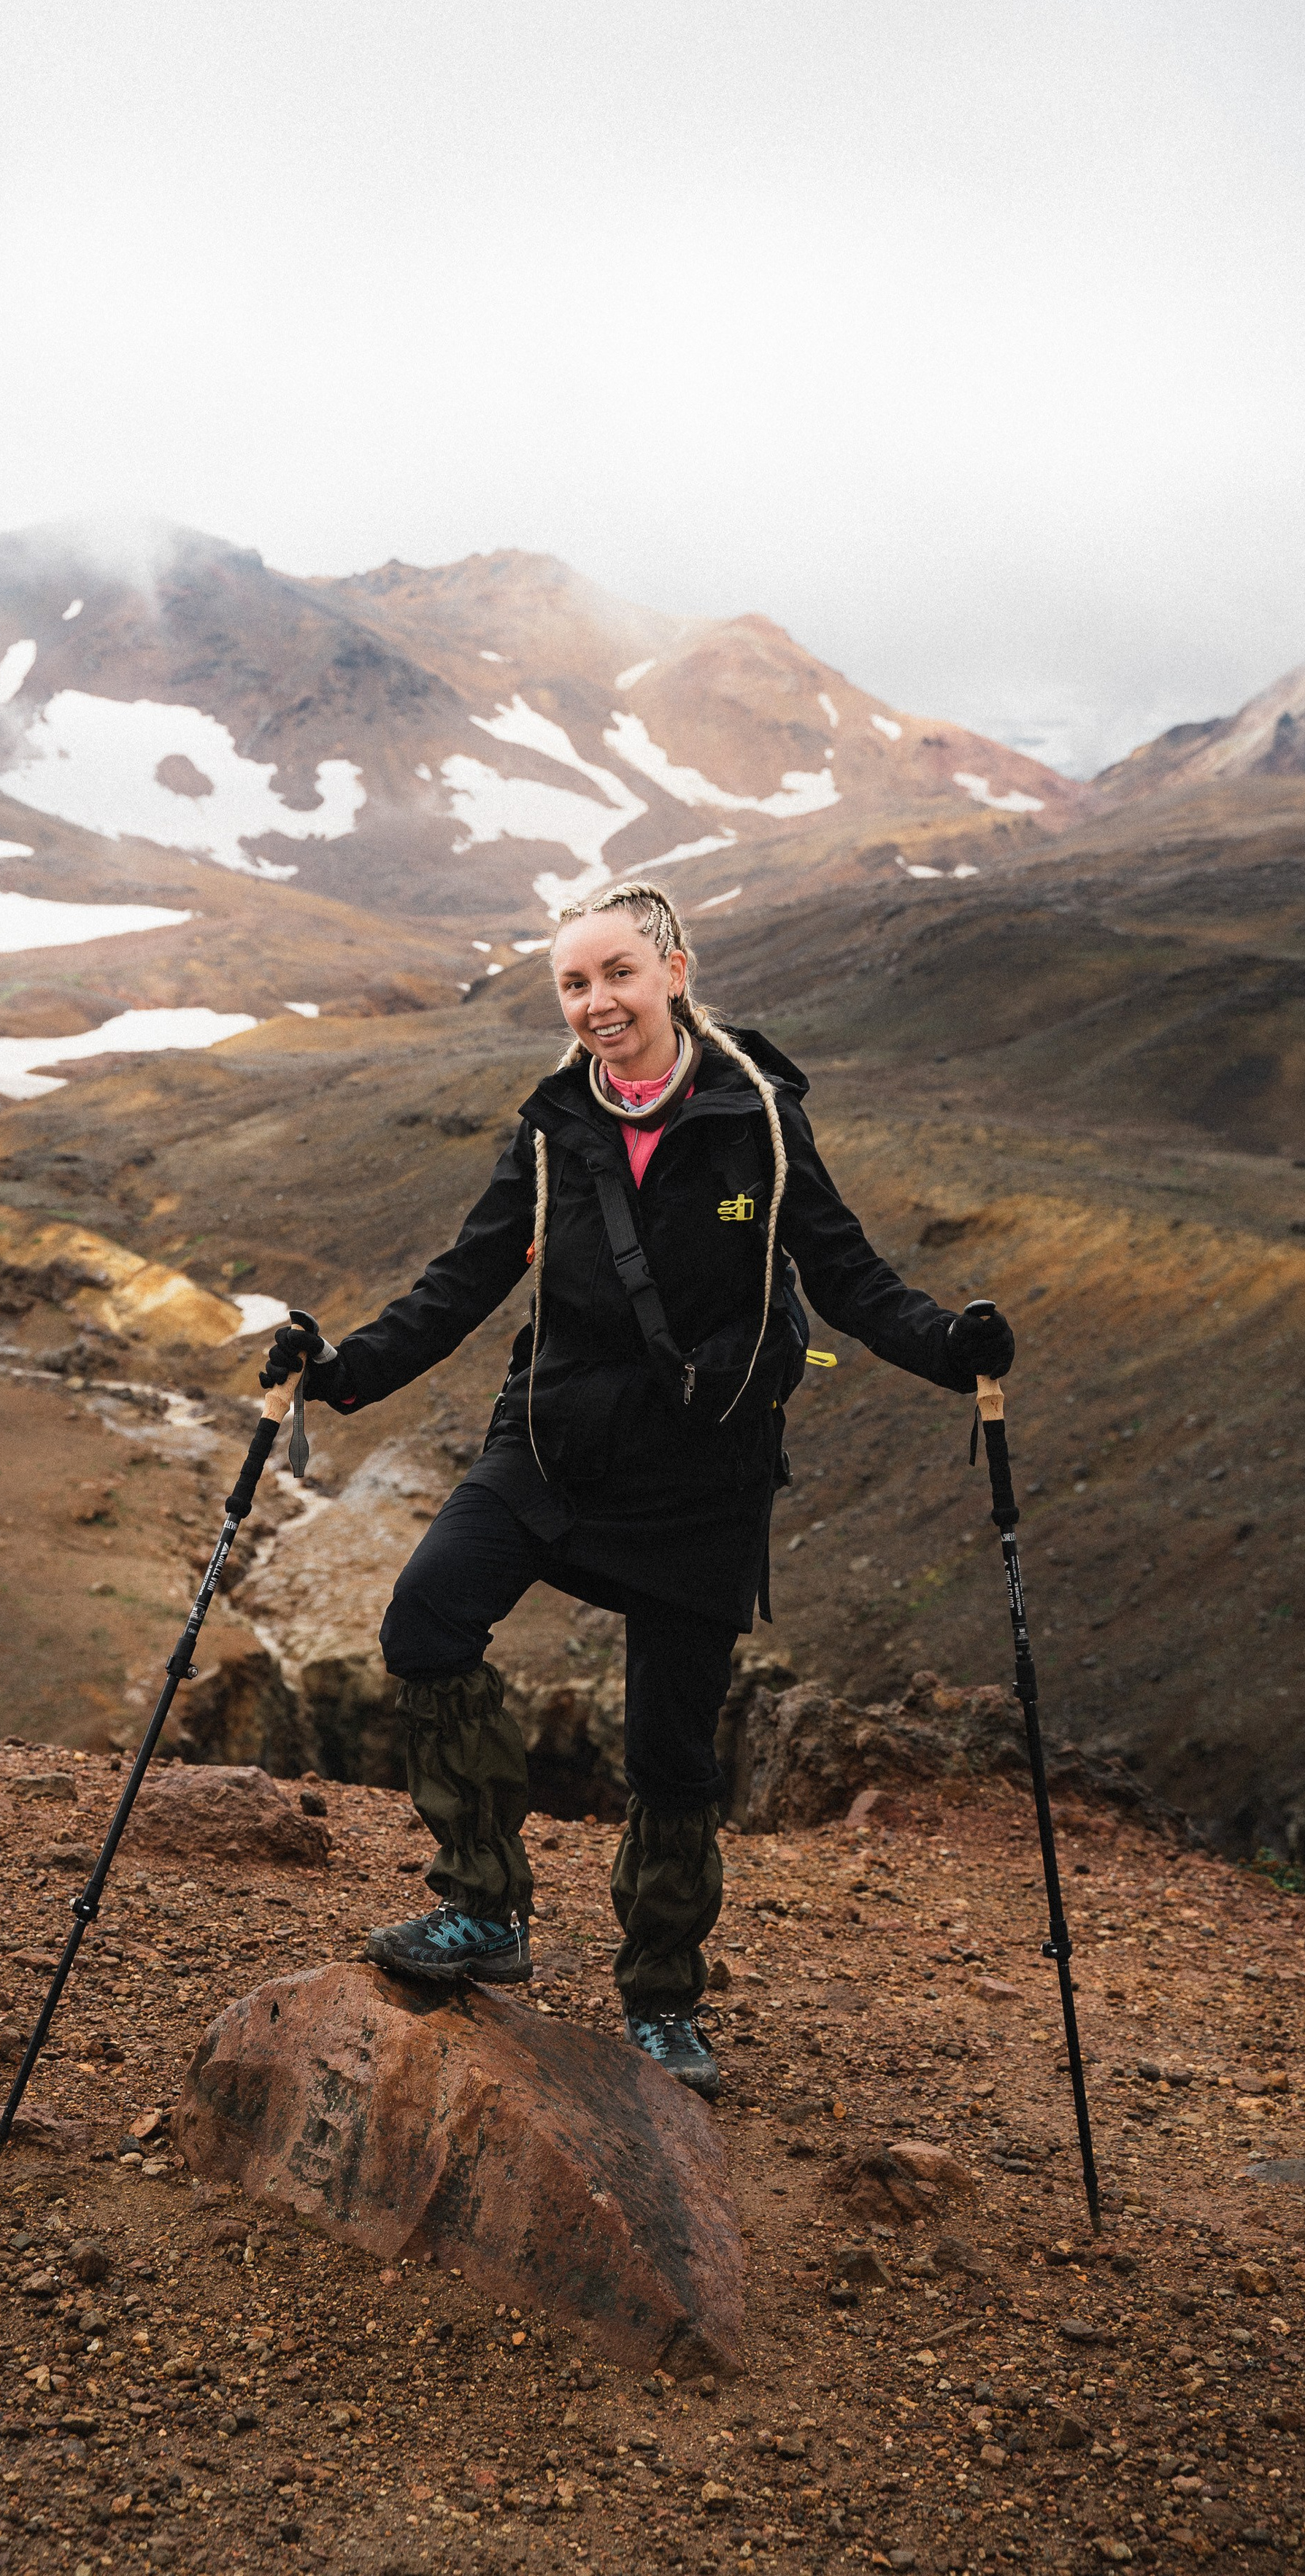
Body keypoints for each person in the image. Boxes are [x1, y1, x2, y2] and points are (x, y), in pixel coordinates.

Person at [260, 880, 1012, 2095]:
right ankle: (485, 1906)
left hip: (702, 1476)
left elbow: (848, 1272)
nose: (596, 1002)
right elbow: (464, 1278)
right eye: (572, 982)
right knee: (426, 1623)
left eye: (616, 974)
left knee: (671, 1758)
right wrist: (339, 1375)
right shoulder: (556, 1123)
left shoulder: (756, 1118)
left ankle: (662, 2000)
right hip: (554, 1442)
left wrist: (948, 1346)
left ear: (673, 969)